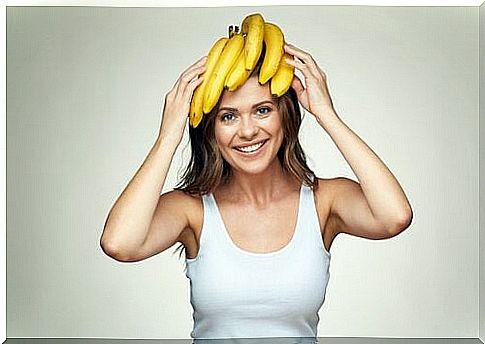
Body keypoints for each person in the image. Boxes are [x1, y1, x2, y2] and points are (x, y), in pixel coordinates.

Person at [100, 41, 413, 341]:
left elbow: (394, 217)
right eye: (228, 116)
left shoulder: (324, 202)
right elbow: (120, 244)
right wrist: (169, 135)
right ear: (210, 128)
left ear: (285, 116)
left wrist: (326, 114)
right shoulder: (192, 210)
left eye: (262, 110)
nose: (248, 130)